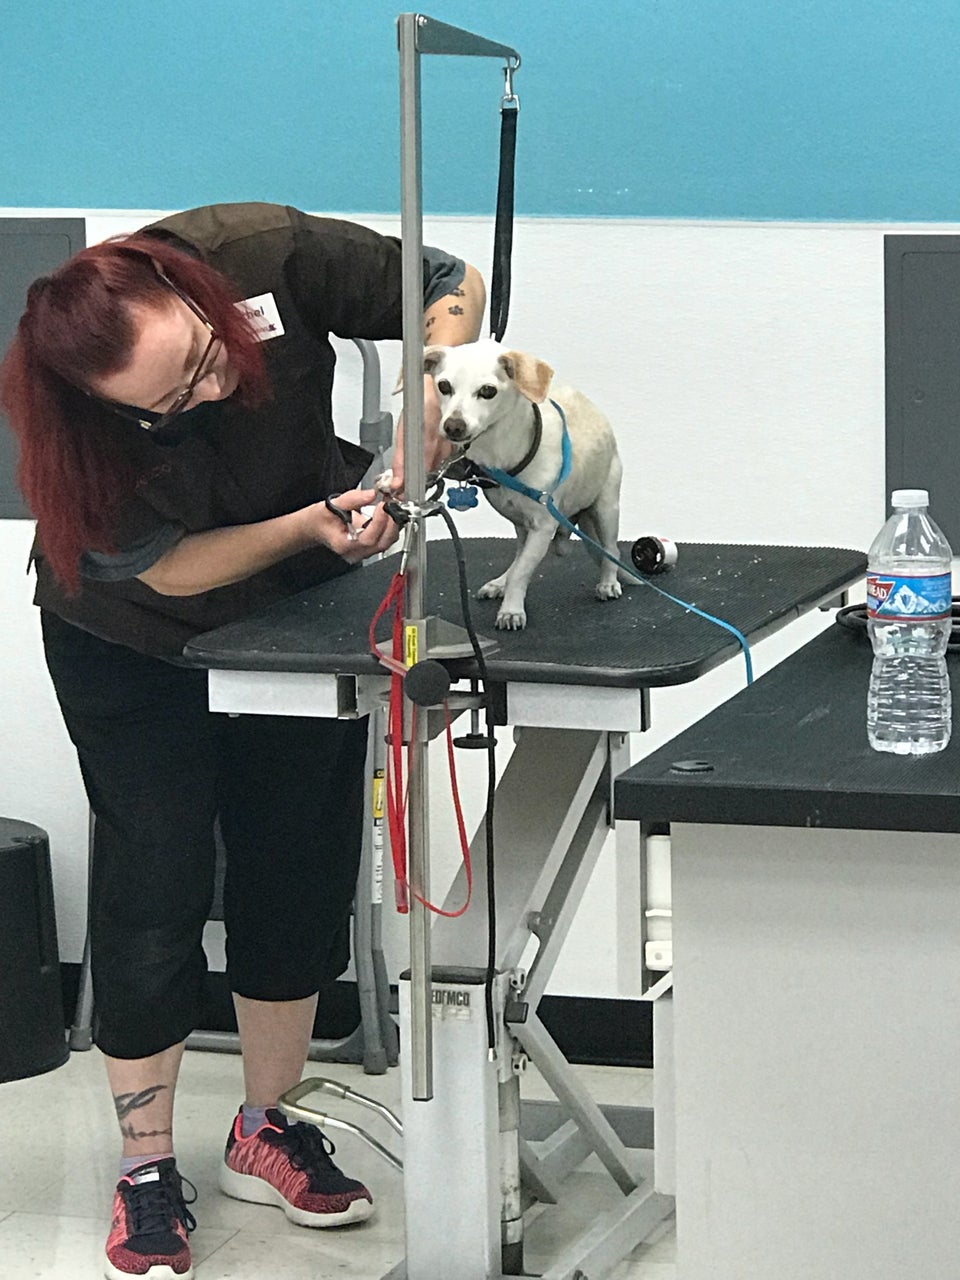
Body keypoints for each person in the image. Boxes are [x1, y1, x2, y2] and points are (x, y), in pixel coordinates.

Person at [0, 201, 485, 1280]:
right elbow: (167, 568)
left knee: (298, 859)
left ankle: (269, 1124)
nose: (211, 389)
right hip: (129, 636)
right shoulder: (70, 422)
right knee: (157, 875)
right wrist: (310, 523)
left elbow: (449, 281)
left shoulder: (262, 250)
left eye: (205, 356)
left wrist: (426, 402)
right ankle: (144, 1164)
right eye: (171, 403)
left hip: (298, 614)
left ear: (193, 294)